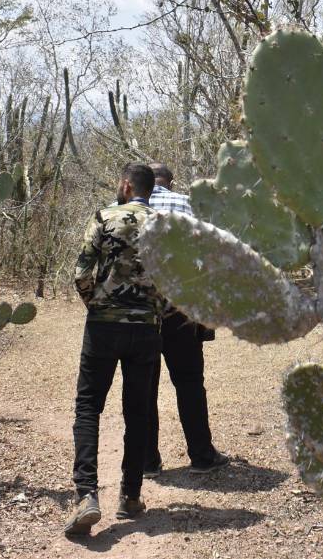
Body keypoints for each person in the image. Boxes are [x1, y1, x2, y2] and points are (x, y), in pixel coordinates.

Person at [65, 163, 163, 537]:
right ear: (148, 190)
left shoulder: (105, 216)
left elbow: (81, 272)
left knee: (89, 406)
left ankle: (87, 495)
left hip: (104, 325)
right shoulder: (164, 224)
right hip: (146, 329)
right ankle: (132, 495)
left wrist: (98, 304)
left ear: (125, 185)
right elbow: (175, 279)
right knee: (138, 411)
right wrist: (154, 309)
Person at [144, 163, 230, 477]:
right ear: (169, 181)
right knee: (190, 383)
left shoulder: (124, 208)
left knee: (144, 387)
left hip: (140, 314)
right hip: (180, 311)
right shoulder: (186, 203)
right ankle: (202, 456)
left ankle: (147, 461)